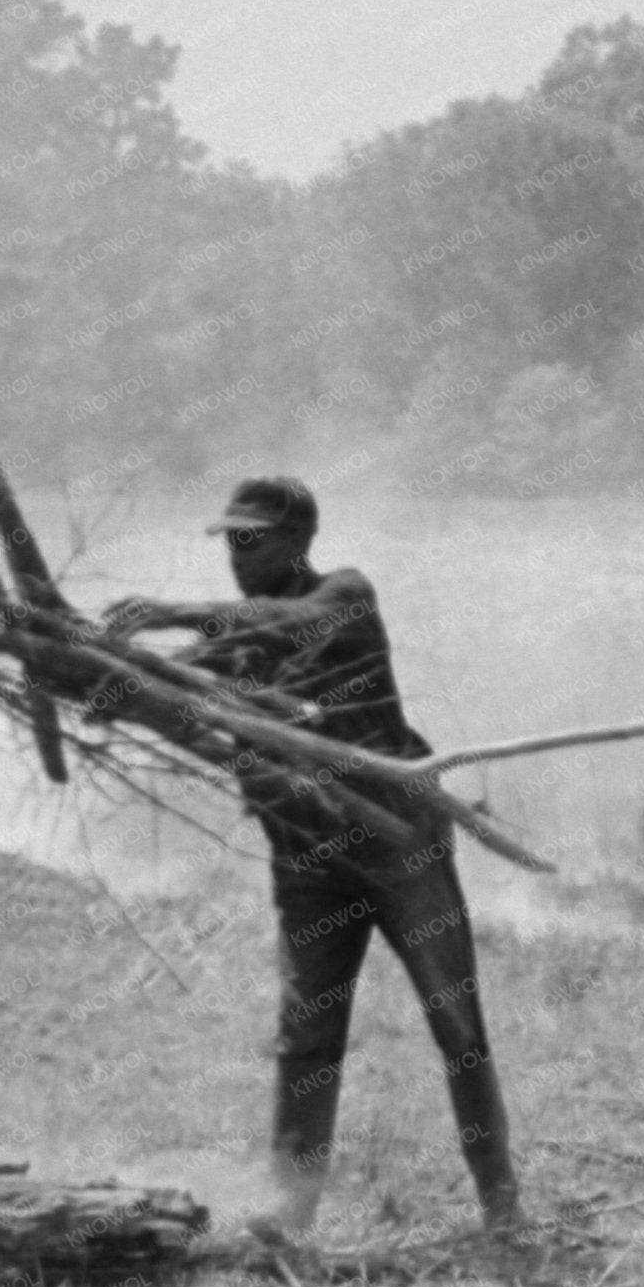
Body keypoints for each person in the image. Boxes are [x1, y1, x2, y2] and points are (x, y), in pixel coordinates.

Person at [103, 476, 521, 1242]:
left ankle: (502, 1209)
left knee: (456, 1023)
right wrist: (107, 682)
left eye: (251, 539)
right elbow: (177, 691)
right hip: (305, 857)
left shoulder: (342, 596)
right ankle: (290, 1212)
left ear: (299, 540)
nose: (236, 555)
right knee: (307, 1037)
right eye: (228, 540)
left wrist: (168, 611)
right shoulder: (233, 647)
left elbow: (284, 620)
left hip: (400, 846)